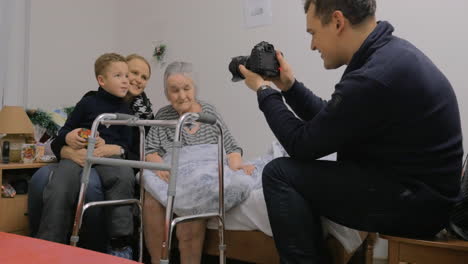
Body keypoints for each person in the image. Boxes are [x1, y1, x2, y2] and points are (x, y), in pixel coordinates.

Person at [238, 0, 463, 263]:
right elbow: (332, 122)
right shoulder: (388, 55)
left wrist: (264, 91)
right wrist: (289, 87)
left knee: (280, 173)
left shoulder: (374, 75)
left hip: (417, 206)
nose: (312, 46)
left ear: (337, 22)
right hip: (421, 195)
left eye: (312, 33)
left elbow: (301, 144)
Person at [28, 54, 154, 253]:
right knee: (59, 183)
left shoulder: (137, 114)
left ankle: (119, 242)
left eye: (143, 76)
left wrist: (115, 148)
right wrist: (69, 141)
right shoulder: (89, 102)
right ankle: (49, 242)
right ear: (103, 80)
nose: (131, 79)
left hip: (110, 160)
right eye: (129, 74)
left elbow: (132, 149)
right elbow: (62, 135)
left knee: (120, 177)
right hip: (78, 155)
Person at [143, 61, 254, 264]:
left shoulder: (208, 113)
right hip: (174, 172)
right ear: (167, 93)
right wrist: (160, 167)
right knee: (151, 199)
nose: (181, 95)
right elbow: (150, 151)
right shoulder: (163, 115)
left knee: (196, 196)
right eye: (174, 90)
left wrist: (237, 166)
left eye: (186, 88)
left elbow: (231, 148)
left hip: (203, 173)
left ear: (195, 88)